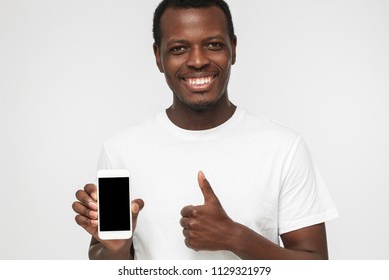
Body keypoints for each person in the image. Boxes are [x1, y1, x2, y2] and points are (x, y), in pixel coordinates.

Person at [72, 0, 338, 260]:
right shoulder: (121, 150)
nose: (198, 60)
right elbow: (106, 260)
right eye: (178, 48)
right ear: (158, 57)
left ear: (233, 48)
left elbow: (315, 264)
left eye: (213, 45)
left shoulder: (284, 147)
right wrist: (116, 248)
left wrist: (235, 237)